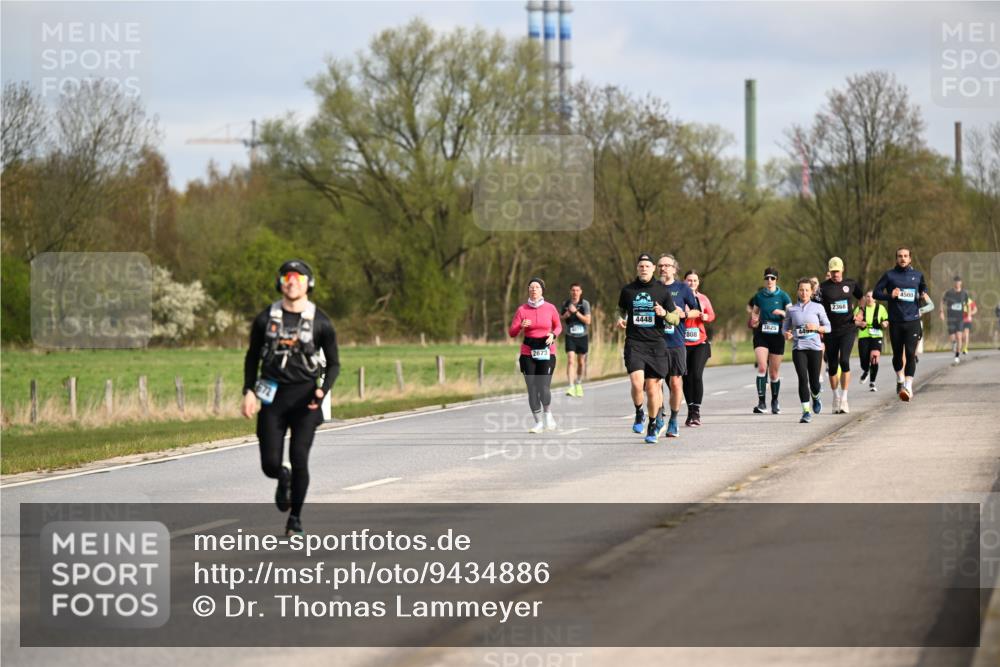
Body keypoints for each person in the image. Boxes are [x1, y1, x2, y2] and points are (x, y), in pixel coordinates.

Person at [243, 259, 340, 537]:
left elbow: (333, 363)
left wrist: (322, 389)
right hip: (271, 398)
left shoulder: (321, 322)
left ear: (309, 284)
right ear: (280, 283)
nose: (292, 282)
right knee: (270, 464)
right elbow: (252, 356)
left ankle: (295, 519)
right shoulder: (265, 319)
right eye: (287, 277)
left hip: (305, 400)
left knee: (299, 459)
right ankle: (281, 476)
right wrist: (248, 390)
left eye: (298, 278)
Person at [617, 253, 681, 445]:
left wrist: (664, 313)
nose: (644, 269)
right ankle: (639, 412)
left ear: (653, 268)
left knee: (653, 388)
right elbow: (620, 310)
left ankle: (653, 425)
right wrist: (620, 319)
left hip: (656, 345)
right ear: (637, 269)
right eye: (641, 266)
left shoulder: (662, 291)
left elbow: (675, 319)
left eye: (647, 266)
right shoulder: (628, 290)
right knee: (637, 384)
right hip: (635, 343)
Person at [873, 246, 930, 402]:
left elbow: (923, 286)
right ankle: (900, 379)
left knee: (911, 354)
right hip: (896, 321)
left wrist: (923, 292)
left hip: (913, 320)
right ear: (896, 258)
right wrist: (890, 295)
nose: (903, 258)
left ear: (910, 258)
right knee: (897, 355)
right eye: (900, 256)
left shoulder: (917, 275)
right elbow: (876, 293)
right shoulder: (889, 275)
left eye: (905, 256)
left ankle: (908, 387)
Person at [508, 278, 562, 433]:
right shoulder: (522, 310)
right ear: (528, 290)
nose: (534, 290)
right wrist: (520, 326)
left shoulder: (550, 308)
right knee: (532, 388)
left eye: (537, 287)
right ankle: (538, 422)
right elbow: (512, 332)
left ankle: (548, 415)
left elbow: (558, 326)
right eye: (531, 287)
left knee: (543, 387)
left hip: (547, 352)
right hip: (528, 352)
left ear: (542, 290)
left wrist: (553, 334)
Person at [817, 257, 863, 414]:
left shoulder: (850, 284)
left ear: (842, 270)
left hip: (847, 328)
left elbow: (861, 298)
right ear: (829, 271)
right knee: (832, 365)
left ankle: (844, 398)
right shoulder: (823, 288)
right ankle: (836, 396)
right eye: (832, 272)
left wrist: (860, 312)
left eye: (837, 271)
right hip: (830, 330)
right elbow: (814, 305)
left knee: (844, 360)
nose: (835, 274)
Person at [783, 278, 831, 423]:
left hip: (815, 348)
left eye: (807, 290)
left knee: (814, 382)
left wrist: (816, 328)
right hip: (799, 348)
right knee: (803, 379)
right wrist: (786, 334)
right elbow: (785, 328)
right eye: (801, 290)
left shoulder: (818, 307)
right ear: (797, 291)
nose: (804, 293)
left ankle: (815, 397)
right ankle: (806, 411)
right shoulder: (791, 309)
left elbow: (828, 327)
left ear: (811, 292)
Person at [747, 267, 792, 414]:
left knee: (773, 373)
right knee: (762, 367)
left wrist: (781, 312)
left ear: (776, 279)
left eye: (772, 278)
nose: (769, 280)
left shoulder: (784, 296)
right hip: (762, 334)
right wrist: (754, 321)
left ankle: (774, 401)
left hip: (777, 335)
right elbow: (755, 313)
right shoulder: (759, 296)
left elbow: (792, 315)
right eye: (767, 278)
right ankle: (761, 403)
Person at [682, 270, 715, 427]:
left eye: (695, 280)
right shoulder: (679, 298)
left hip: (700, 342)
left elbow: (712, 315)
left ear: (698, 283)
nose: (692, 283)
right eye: (689, 280)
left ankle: (696, 411)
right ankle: (690, 411)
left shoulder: (703, 298)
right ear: (684, 281)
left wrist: (706, 317)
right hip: (683, 343)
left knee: (696, 374)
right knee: (686, 377)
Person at [853, 290, 888, 392]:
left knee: (874, 358)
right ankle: (866, 370)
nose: (869, 299)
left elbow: (886, 320)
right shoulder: (860, 309)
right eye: (867, 296)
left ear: (875, 298)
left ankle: (872, 382)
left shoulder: (880, 308)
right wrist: (859, 323)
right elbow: (854, 321)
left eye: (872, 297)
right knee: (864, 360)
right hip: (863, 336)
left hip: (876, 336)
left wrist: (885, 323)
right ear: (865, 298)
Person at [560, 283, 592, 397]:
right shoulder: (565, 304)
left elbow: (588, 321)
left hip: (582, 336)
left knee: (581, 362)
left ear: (581, 292)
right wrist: (567, 314)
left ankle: (578, 383)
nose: (575, 292)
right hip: (570, 336)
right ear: (570, 291)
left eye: (577, 290)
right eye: (573, 290)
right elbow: (560, 318)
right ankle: (571, 386)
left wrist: (576, 312)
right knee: (570, 360)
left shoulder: (585, 304)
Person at [941, 276, 970, 364]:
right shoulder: (949, 292)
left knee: (959, 337)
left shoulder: (964, 293)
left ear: (961, 283)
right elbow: (942, 302)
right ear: (954, 283)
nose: (957, 283)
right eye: (956, 282)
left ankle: (957, 355)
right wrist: (941, 312)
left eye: (959, 282)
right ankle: (953, 343)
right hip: (951, 318)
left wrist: (968, 314)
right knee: (953, 337)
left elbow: (967, 304)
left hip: (960, 318)